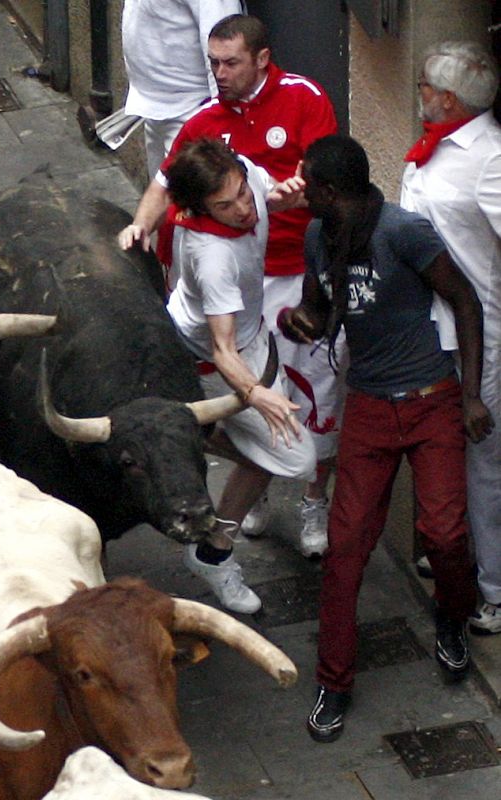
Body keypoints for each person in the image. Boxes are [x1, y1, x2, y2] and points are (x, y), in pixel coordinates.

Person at [279, 134, 493, 743]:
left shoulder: (403, 232)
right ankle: (333, 682)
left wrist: (471, 394)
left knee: (444, 534)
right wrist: (302, 321)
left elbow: (466, 302)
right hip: (370, 406)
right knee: (345, 549)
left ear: (330, 190)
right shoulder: (319, 236)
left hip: (431, 400)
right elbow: (319, 307)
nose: (301, 188)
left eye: (308, 181)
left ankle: (451, 616)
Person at [119, 14, 340, 559]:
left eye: (230, 62)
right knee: (250, 398)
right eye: (213, 62)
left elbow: (320, 180)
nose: (218, 73)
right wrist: (140, 224)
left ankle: (314, 499)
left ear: (262, 59)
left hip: (294, 275)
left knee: (315, 391)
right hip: (237, 296)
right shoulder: (204, 123)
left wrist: (292, 195)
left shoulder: (304, 99)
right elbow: (163, 183)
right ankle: (253, 490)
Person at [163, 137, 317, 613]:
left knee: (265, 457)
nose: (243, 209)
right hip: (217, 359)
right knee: (294, 459)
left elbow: (264, 195)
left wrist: (279, 196)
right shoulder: (212, 258)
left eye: (243, 194)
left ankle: (213, 551)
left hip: (255, 339)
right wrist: (255, 394)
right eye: (225, 206)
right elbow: (222, 350)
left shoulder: (244, 171)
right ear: (200, 210)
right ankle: (193, 431)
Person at [400, 41, 501, 636]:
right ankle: (449, 554)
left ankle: (493, 588)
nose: (418, 94)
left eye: (423, 86)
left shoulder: (489, 158)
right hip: (426, 326)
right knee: (438, 442)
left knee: (483, 457)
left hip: (479, 330)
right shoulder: (433, 148)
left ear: (448, 98)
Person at [122, 0, 246, 179]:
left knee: (188, 192)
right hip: (152, 106)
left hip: (192, 109)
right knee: (159, 191)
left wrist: (221, 120)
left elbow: (227, 48)